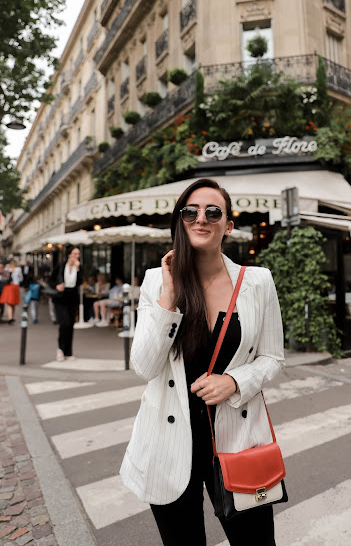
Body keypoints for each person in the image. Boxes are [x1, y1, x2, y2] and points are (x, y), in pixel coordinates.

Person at [120, 179, 285, 546]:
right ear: (181, 220)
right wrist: (169, 297)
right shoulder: (154, 282)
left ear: (227, 226)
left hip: (237, 439)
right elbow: (144, 368)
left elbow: (273, 356)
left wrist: (237, 381)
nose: (201, 219)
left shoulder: (257, 282)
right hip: (168, 441)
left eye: (213, 212)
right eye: (191, 211)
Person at [49, 247, 82, 361]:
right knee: (64, 323)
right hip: (60, 298)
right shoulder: (61, 266)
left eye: (78, 254)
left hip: (72, 298)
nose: (76, 256)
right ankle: (60, 349)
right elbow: (51, 280)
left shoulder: (79, 267)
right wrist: (57, 286)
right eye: (74, 253)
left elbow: (80, 282)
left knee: (71, 325)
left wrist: (78, 269)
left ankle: (68, 352)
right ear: (69, 254)